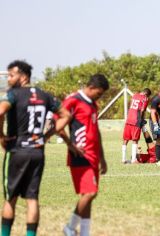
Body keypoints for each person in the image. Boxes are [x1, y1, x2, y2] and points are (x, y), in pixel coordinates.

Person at [0, 60, 71, 236]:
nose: (8, 79)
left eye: (11, 75)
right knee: (32, 199)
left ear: (23, 76)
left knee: (10, 199)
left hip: (17, 150)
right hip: (37, 152)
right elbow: (66, 115)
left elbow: (0, 112)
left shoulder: (13, 94)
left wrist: (1, 137)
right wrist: (46, 136)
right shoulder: (44, 95)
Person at [60, 74, 109, 236]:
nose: (99, 97)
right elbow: (57, 124)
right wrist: (70, 144)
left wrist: (102, 157)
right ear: (91, 87)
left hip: (94, 156)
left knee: (89, 195)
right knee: (90, 193)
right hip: (81, 156)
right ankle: (69, 227)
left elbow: (96, 131)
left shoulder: (93, 104)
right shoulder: (73, 100)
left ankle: (84, 233)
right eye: (99, 93)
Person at [122, 88, 151, 164]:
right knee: (135, 140)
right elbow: (142, 110)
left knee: (126, 139)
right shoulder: (145, 98)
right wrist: (141, 119)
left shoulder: (134, 95)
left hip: (128, 119)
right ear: (146, 94)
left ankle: (123, 159)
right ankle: (133, 160)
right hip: (136, 120)